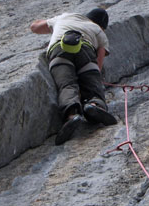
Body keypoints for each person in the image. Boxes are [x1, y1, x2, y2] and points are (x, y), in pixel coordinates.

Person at [30, 7, 117, 145]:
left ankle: (72, 115)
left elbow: (35, 27)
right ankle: (94, 105)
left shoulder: (65, 17)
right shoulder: (99, 31)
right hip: (85, 51)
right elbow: (98, 65)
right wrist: (95, 78)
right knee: (93, 85)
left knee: (66, 85)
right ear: (102, 26)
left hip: (59, 51)